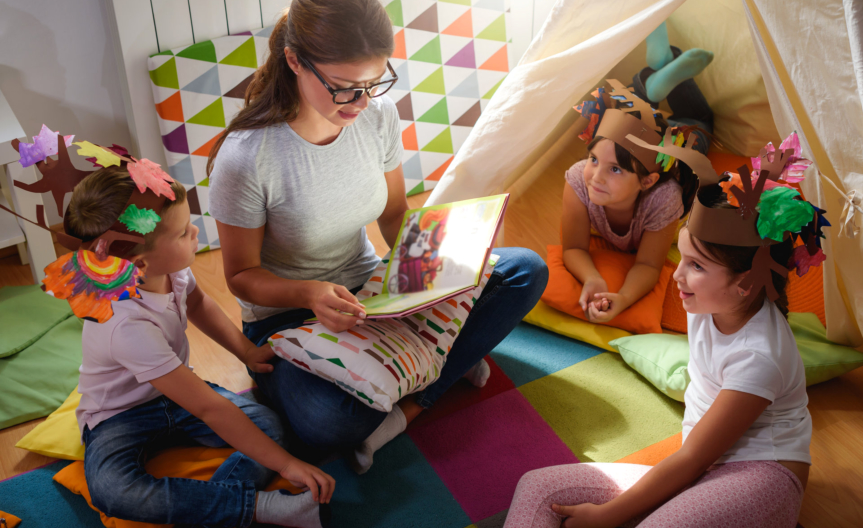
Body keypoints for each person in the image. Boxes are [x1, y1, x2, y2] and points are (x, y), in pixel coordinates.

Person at [207, 0, 547, 473]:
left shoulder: (377, 115)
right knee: (327, 422)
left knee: (524, 270)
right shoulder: (247, 158)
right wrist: (310, 292)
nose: (362, 103)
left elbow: (392, 216)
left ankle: (408, 399)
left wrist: (437, 259)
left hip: (371, 291)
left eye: (373, 82)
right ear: (294, 61)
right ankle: (438, 358)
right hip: (288, 316)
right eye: (345, 89)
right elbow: (241, 276)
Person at [504, 154, 820, 527]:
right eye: (682, 258)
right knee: (540, 490)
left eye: (696, 266)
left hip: (760, 478)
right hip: (701, 468)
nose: (677, 276)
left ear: (746, 283)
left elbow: (693, 461)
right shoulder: (706, 303)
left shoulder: (759, 355)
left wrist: (606, 517)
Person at [71, 166, 334, 528]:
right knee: (112, 491)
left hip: (177, 395)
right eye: (182, 233)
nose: (196, 232)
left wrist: (246, 351)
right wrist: (287, 466)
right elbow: (211, 409)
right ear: (140, 262)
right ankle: (259, 507)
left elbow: (197, 305)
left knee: (267, 427)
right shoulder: (124, 325)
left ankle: (211, 509)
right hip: (118, 417)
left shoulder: (171, 270)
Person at [563, 22, 714, 322]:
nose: (596, 176)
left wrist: (624, 297)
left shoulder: (664, 198)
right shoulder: (579, 178)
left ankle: (655, 79)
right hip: (647, 141)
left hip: (681, 140)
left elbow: (647, 265)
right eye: (594, 160)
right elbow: (573, 248)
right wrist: (592, 278)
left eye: (615, 170)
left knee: (700, 120)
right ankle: (656, 75)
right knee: (636, 122)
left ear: (647, 181)